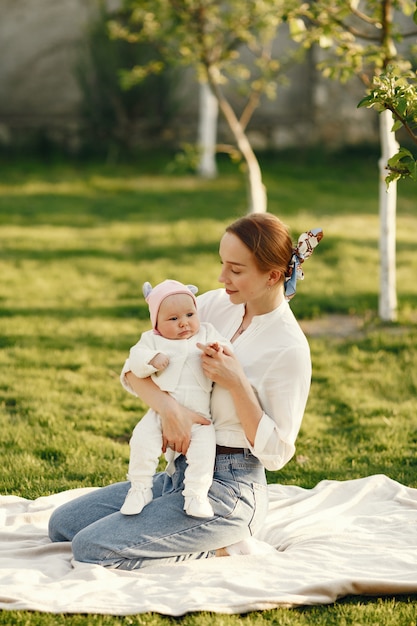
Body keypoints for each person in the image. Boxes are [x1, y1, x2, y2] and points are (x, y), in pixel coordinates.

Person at [48, 213, 323, 569]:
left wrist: (236, 383)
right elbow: (132, 372)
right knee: (62, 526)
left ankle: (223, 547)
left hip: (230, 489)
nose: (222, 277)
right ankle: (179, 524)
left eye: (235, 270)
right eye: (222, 264)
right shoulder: (213, 305)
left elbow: (276, 454)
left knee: (91, 549)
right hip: (178, 474)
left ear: (272, 276)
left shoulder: (288, 347)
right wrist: (170, 411)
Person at [120, 279, 232, 519]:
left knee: (204, 451)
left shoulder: (207, 332)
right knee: (141, 439)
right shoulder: (152, 340)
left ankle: (196, 496)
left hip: (200, 416)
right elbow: (135, 360)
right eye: (173, 319)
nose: (183, 322)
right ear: (157, 324)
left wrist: (217, 349)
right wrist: (151, 360)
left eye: (190, 314)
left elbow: (226, 347)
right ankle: (140, 488)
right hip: (161, 413)